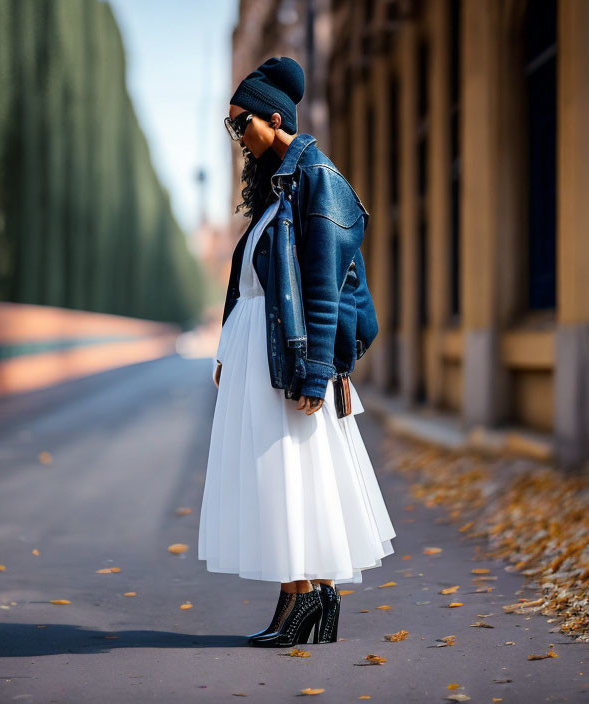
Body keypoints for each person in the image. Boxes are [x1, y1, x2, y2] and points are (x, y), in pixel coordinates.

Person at [197, 56, 396, 648]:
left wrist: (316, 374)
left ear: (274, 118)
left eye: (241, 125)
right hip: (263, 352)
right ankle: (307, 597)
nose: (236, 137)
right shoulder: (277, 188)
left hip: (289, 355)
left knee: (285, 477)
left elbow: (324, 286)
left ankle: (305, 596)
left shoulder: (317, 182)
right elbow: (251, 282)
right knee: (283, 479)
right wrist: (228, 350)